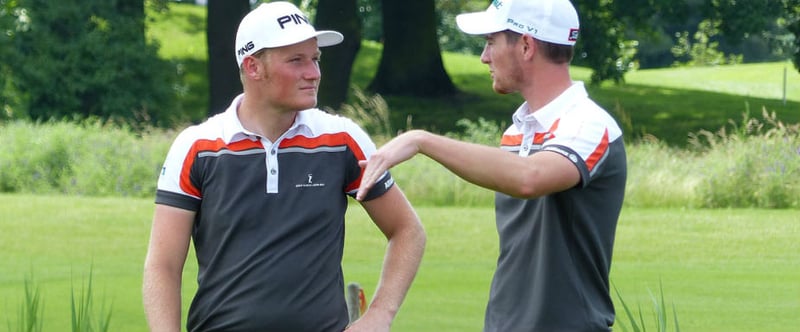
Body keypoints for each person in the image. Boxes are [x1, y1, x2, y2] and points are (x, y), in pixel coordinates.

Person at [143, 2, 425, 331]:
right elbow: (163, 265)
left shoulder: (341, 140)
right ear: (253, 67)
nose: (314, 72)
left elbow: (407, 230)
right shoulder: (198, 147)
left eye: (315, 59)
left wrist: (379, 314)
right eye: (296, 60)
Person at [357, 0, 627, 331]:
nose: (484, 57)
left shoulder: (588, 124)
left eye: (490, 42)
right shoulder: (517, 133)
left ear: (526, 45)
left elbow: (530, 178)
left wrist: (421, 141)